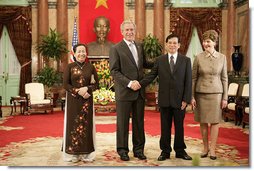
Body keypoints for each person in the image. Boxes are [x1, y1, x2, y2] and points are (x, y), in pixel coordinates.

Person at [140, 34, 192, 161]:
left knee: (179, 127)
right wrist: (139, 84)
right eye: (170, 43)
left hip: (180, 101)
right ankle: (165, 151)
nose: (172, 45)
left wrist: (186, 99)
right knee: (165, 127)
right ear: (166, 45)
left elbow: (188, 81)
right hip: (164, 100)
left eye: (175, 43)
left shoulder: (186, 60)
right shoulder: (160, 60)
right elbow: (151, 75)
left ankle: (180, 151)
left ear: (179, 45)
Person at [109, 20, 153, 161]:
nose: (129, 32)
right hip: (125, 92)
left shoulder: (140, 46)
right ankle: (122, 150)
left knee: (139, 123)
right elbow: (114, 71)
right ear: (122, 32)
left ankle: (139, 150)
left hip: (139, 92)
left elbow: (144, 64)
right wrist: (129, 83)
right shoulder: (116, 48)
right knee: (122, 123)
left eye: (132, 30)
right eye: (127, 30)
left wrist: (162, 61)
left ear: (135, 31)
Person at [191, 30, 228, 160]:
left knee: (215, 122)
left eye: (208, 41)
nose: (205, 43)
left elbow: (224, 78)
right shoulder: (198, 57)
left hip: (217, 94)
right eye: (204, 41)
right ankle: (205, 148)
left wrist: (225, 98)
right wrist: (192, 96)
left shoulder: (222, 57)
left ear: (214, 42)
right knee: (203, 121)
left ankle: (213, 150)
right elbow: (193, 78)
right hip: (201, 93)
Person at [62, 43, 99, 163]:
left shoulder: (91, 67)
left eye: (84, 51)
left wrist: (87, 89)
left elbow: (96, 84)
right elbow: (65, 84)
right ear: (74, 53)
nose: (82, 53)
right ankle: (72, 153)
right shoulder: (69, 67)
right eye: (79, 51)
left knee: (86, 126)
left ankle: (86, 154)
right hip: (73, 100)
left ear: (86, 53)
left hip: (87, 101)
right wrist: (78, 91)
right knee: (73, 125)